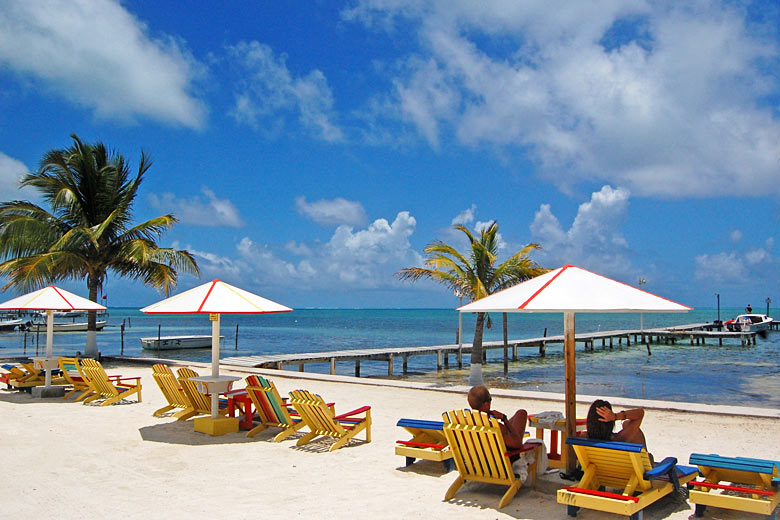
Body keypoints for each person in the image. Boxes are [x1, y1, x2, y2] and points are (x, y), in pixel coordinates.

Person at [586, 399, 652, 462]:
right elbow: (640, 413)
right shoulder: (621, 439)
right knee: (626, 424)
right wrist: (615, 416)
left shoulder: (583, 438)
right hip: (627, 471)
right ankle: (647, 456)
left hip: (597, 471)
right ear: (610, 423)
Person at [467, 385, 528, 450]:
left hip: (476, 458)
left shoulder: (463, 422)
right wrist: (504, 419)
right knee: (522, 413)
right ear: (486, 404)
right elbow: (517, 444)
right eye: (490, 399)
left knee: (520, 413)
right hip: (504, 457)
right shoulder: (495, 427)